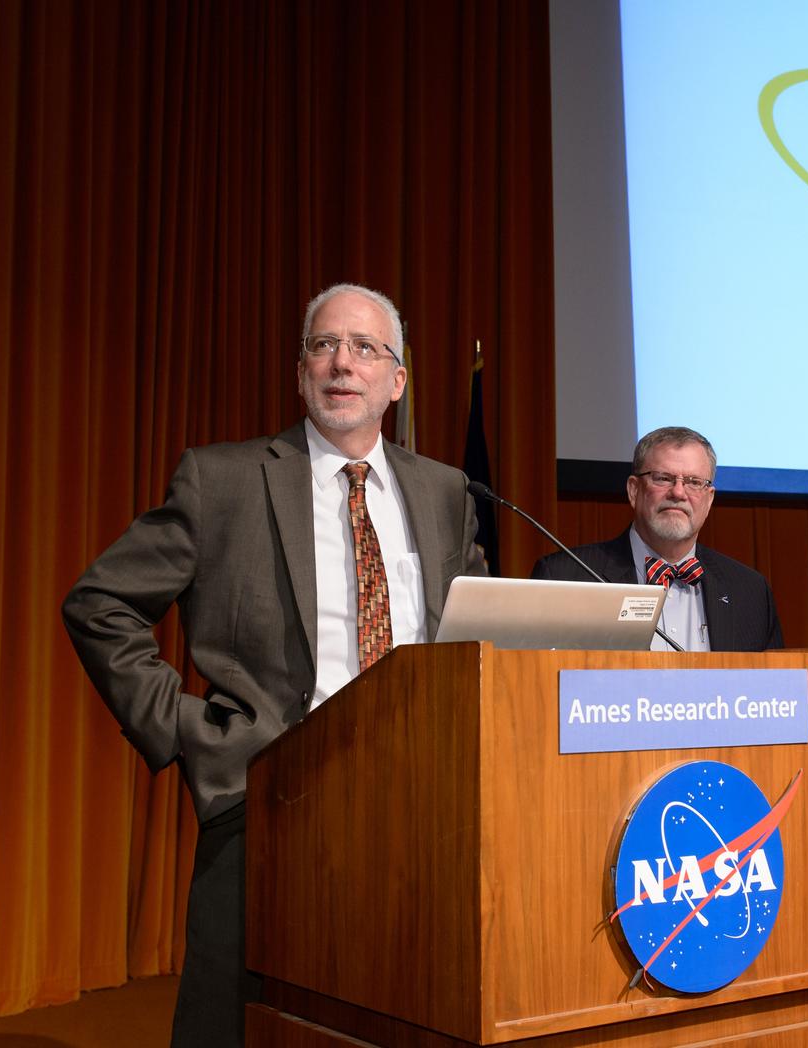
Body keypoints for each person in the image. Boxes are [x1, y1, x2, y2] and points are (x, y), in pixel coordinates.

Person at [62, 283, 485, 1047]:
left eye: (365, 348)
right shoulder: (221, 481)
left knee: (404, 1017)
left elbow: (468, 630)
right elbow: (101, 604)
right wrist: (192, 728)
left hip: (420, 805)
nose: (341, 364)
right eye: (323, 345)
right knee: (234, 1028)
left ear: (398, 381)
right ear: (300, 374)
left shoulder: (446, 491)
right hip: (268, 795)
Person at [531, 426, 782, 651]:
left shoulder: (750, 591)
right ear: (634, 490)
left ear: (710, 499)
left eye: (694, 482)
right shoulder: (564, 577)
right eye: (663, 478)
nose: (678, 492)